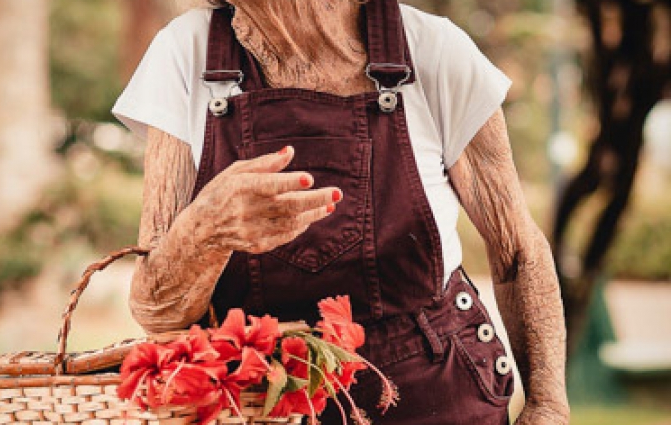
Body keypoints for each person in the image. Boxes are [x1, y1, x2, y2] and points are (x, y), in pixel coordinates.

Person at [112, 0, 569, 423]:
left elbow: (517, 252)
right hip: (259, 401)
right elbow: (157, 311)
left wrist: (547, 407)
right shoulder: (183, 53)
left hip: (433, 390)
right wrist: (205, 231)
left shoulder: (434, 50)